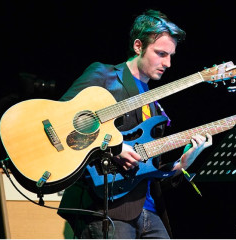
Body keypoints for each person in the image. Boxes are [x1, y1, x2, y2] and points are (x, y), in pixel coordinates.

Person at [57, 9, 212, 239]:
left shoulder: (155, 106)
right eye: (161, 54)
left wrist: (182, 163)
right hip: (105, 209)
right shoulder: (105, 76)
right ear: (138, 46)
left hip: (148, 210)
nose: (168, 63)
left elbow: (148, 168)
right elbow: (63, 121)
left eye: (171, 56)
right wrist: (114, 147)